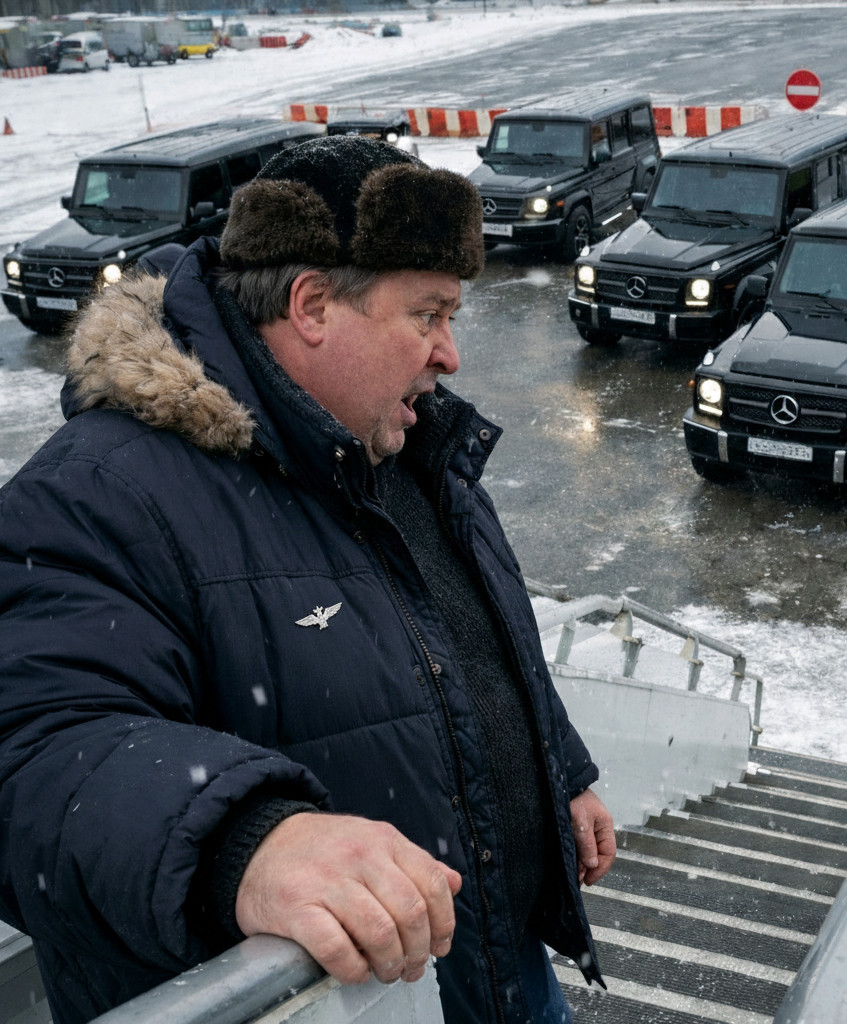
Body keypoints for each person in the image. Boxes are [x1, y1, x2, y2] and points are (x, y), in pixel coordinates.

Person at [0, 135, 615, 1024]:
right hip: (331, 1002)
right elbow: (32, 743)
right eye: (429, 315)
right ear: (314, 304)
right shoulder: (103, 492)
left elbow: (481, 637)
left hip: (497, 960)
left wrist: (561, 771)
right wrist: (244, 842)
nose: (450, 355)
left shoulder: (404, 442)